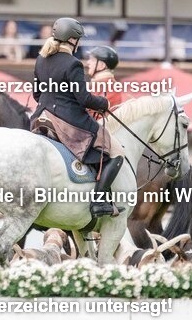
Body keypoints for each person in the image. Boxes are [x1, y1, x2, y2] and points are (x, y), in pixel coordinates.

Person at [29, 17, 123, 218]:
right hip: (67, 121)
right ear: (72, 40)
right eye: (78, 40)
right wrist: (104, 103)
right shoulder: (73, 64)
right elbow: (83, 99)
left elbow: (37, 94)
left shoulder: (41, 59)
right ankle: (99, 202)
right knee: (116, 152)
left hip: (41, 116)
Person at [84, 45, 124, 118]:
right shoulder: (110, 84)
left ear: (102, 65)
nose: (88, 62)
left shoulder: (102, 85)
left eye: (92, 60)